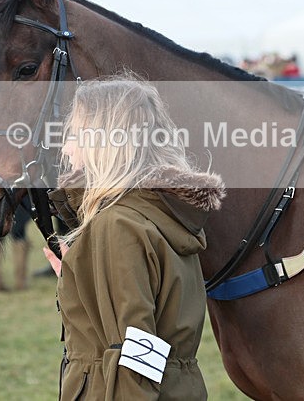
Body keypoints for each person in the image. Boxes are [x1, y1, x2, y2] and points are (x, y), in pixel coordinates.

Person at [44, 76, 224, 400]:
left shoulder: (117, 226)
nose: (65, 148)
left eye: (72, 135)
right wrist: (81, 279)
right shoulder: (160, 214)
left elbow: (132, 353)